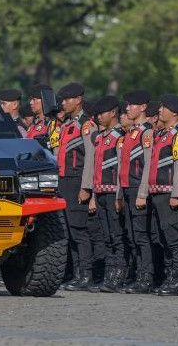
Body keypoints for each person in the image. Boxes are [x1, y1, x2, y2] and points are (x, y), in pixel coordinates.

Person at [136, 94, 178, 296]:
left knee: (173, 237)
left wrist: (177, 194)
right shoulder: (160, 135)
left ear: (174, 112)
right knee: (163, 238)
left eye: (163, 108)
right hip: (156, 192)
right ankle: (169, 276)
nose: (159, 111)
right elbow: (149, 165)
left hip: (168, 193)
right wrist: (145, 191)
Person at [56, 82, 97, 292]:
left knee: (79, 230)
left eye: (67, 99)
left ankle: (86, 275)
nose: (63, 103)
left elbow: (90, 157)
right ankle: (76, 274)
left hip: (77, 181)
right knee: (69, 231)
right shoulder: (67, 125)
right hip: (64, 181)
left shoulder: (86, 125)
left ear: (78, 100)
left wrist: (87, 186)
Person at [115, 90, 155, 294]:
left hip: (137, 187)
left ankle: (146, 277)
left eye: (132, 105)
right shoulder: (131, 132)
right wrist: (120, 194)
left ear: (143, 108)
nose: (128, 108)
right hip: (126, 188)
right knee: (131, 235)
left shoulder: (147, 132)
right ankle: (138, 274)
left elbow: (148, 165)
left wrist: (142, 192)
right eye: (127, 105)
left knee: (141, 235)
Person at [89, 96, 126, 292]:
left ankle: (119, 273)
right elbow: (96, 169)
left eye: (102, 113)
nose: (98, 117)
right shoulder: (101, 137)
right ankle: (109, 274)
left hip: (113, 192)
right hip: (101, 191)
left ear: (113, 113)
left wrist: (120, 195)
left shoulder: (120, 136)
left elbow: (121, 168)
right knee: (106, 236)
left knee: (117, 234)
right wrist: (94, 195)